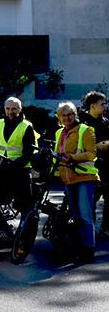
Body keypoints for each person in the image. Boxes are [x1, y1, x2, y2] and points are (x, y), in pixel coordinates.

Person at [0, 96, 36, 243]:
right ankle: (3, 229)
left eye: (14, 109)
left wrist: (14, 165)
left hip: (20, 173)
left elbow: (28, 153)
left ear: (20, 109)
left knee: (25, 207)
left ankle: (23, 240)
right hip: (3, 172)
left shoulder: (26, 126)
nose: (10, 111)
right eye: (7, 108)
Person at [53, 101, 99, 263]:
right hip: (68, 179)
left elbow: (92, 154)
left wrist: (73, 158)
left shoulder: (85, 130)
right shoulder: (59, 133)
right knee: (76, 216)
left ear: (75, 114)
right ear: (59, 117)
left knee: (85, 215)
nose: (67, 118)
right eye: (63, 115)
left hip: (85, 178)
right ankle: (78, 247)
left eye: (70, 114)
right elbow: (57, 155)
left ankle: (88, 250)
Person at [79, 91, 109, 238]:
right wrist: (97, 146)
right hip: (88, 168)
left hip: (106, 166)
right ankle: (89, 231)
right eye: (102, 104)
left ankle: (105, 229)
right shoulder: (82, 122)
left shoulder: (105, 122)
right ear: (92, 106)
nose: (105, 106)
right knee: (91, 200)